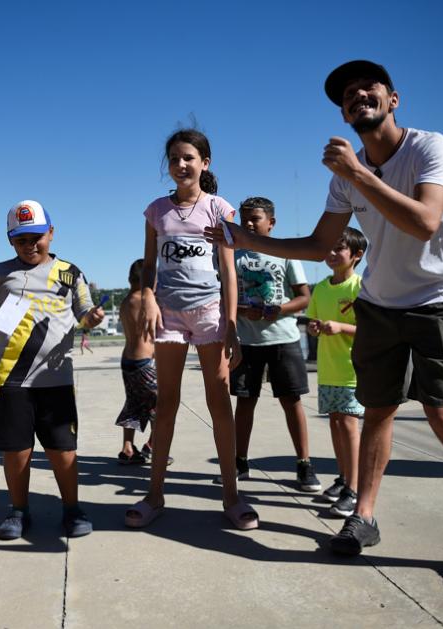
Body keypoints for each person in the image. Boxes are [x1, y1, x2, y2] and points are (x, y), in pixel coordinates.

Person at [204, 60, 443, 588]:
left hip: (436, 303)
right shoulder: (346, 177)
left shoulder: (430, 148)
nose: (358, 95)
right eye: (347, 94)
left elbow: (425, 222)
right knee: (378, 413)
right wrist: (248, 240)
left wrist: (359, 175)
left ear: (393, 98)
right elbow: (320, 247)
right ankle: (364, 516)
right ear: (344, 113)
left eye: (369, 87)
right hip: (379, 306)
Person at [125, 128, 258, 531]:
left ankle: (232, 497)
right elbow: (149, 264)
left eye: (188, 158)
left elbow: (228, 272)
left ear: (205, 162)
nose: (180, 165)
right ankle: (154, 494)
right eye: (174, 159)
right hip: (168, 314)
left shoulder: (220, 208)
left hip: (209, 314)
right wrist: (148, 295)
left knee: (219, 401)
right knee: (166, 403)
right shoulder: (156, 210)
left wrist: (231, 324)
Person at [0, 200, 105, 540]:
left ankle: (72, 509)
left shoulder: (70, 272)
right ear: (10, 240)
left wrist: (92, 319)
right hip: (10, 377)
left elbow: (84, 311)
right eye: (21, 239)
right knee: (16, 450)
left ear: (51, 233)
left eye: (37, 237)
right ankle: (18, 510)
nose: (30, 245)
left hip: (55, 378)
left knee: (63, 450)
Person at [227, 196, 320, 493]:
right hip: (247, 341)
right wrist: (241, 312)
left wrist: (278, 309)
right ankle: (239, 462)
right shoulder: (232, 255)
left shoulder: (286, 253)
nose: (249, 224)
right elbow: (223, 296)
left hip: (284, 338)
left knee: (291, 402)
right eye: (244, 219)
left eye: (255, 218)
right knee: (245, 401)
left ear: (272, 223)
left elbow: (304, 297)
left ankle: (304, 464)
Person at [306, 226, 368, 518]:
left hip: (351, 370)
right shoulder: (321, 288)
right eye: (329, 248)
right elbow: (312, 321)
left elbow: (371, 329)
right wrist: (315, 327)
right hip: (328, 370)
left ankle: (354, 490)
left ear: (357, 255)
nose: (331, 254)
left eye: (339, 248)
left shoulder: (360, 287)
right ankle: (344, 478)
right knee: (335, 423)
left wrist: (342, 327)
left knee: (348, 426)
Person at [115, 258, 171, 466]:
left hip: (128, 360)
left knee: (134, 404)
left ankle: (127, 449)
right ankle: (153, 446)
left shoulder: (126, 300)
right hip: (144, 363)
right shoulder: (143, 301)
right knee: (162, 405)